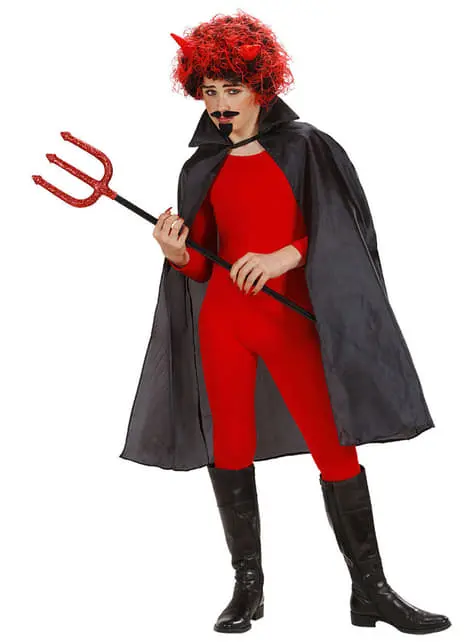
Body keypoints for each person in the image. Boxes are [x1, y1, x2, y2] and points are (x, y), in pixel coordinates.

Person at [120, 10, 451, 635]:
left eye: (232, 89)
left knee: (334, 449)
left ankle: (371, 590)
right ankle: (248, 588)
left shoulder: (306, 148)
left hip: (290, 324)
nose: (220, 105)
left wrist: (283, 256)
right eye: (209, 92)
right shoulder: (201, 166)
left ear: (261, 86)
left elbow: (342, 230)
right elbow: (203, 262)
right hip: (224, 327)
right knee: (230, 447)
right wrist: (176, 253)